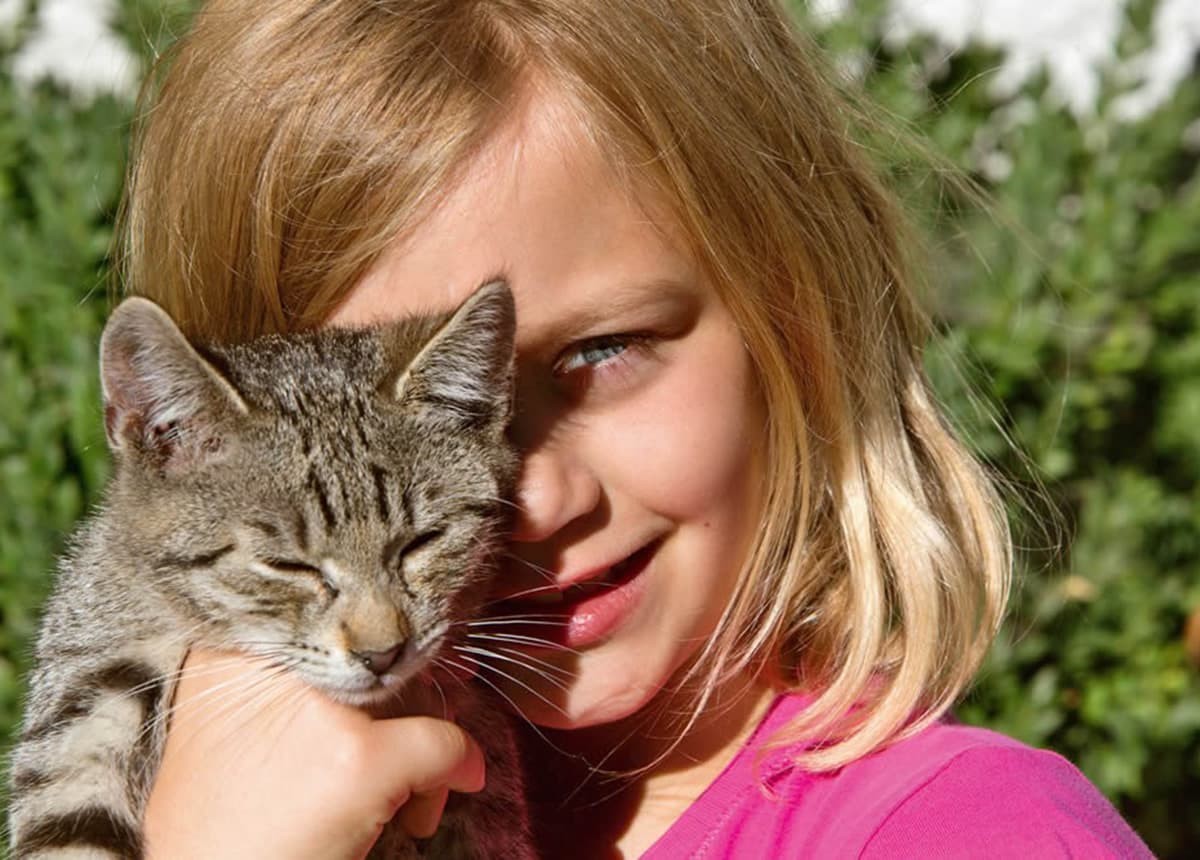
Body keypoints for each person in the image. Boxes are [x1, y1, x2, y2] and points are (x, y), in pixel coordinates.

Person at [120, 0, 1152, 856]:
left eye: (601, 351)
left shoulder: (969, 832)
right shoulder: (203, 807)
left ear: (796, 321)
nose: (527, 492)